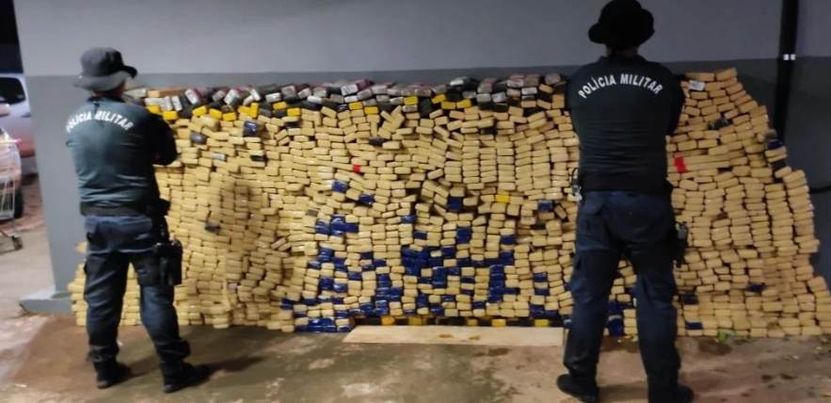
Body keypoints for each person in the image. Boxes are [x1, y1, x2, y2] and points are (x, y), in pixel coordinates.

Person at [557, 1, 693, 402]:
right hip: (648, 202)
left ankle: (581, 381)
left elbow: (580, 126)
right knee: (654, 297)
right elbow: (668, 126)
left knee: (589, 296)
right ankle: (663, 390)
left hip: (597, 203)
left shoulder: (580, 81)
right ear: (642, 37)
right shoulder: (663, 80)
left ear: (604, 39)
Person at [66, 47, 210, 393]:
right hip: (139, 221)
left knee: (101, 298)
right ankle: (173, 371)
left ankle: (104, 368)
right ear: (120, 81)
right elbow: (166, 156)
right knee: (155, 296)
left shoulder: (73, 120)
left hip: (97, 222)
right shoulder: (139, 117)